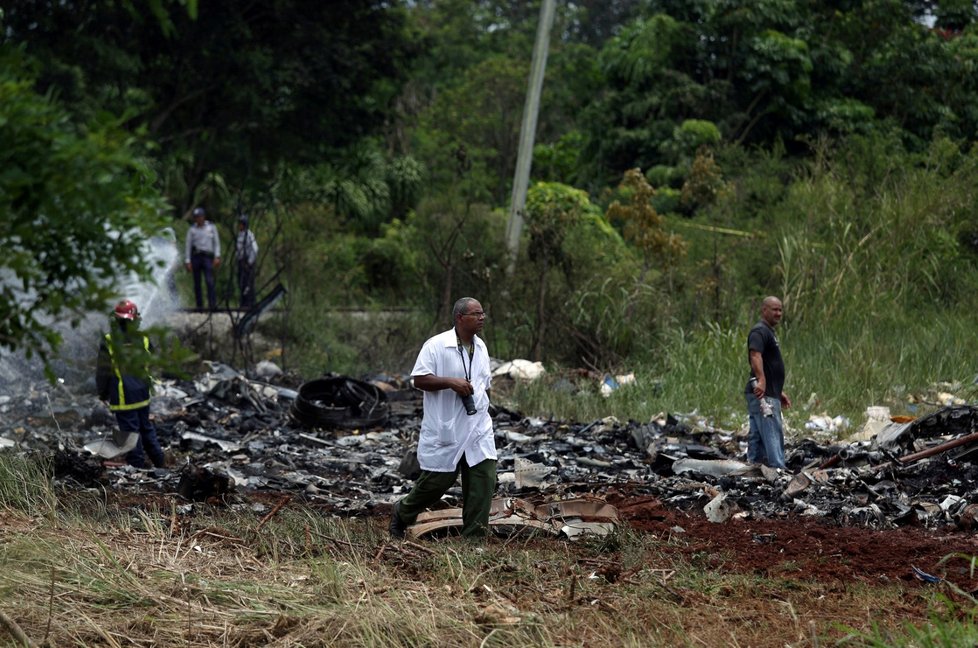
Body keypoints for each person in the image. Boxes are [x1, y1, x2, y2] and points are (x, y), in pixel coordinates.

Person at [390, 297, 496, 540]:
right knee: (439, 481)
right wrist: (450, 382)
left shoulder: (481, 347)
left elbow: (483, 383)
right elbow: (419, 379)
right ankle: (403, 512)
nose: (482, 318)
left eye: (483, 313)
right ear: (460, 318)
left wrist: (485, 408)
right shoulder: (436, 345)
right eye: (476, 314)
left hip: (478, 427)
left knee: (484, 479)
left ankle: (473, 541)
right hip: (448, 426)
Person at [95, 299, 166, 469]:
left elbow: (103, 371)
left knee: (130, 432)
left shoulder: (109, 340)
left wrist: (103, 393)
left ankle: (137, 466)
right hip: (142, 393)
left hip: (123, 396)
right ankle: (159, 461)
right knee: (146, 428)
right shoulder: (144, 339)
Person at [745, 295, 792, 469]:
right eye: (774, 309)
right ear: (764, 310)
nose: (778, 313)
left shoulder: (768, 332)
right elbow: (755, 355)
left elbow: (769, 363)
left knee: (758, 433)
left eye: (780, 309)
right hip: (762, 393)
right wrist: (762, 380)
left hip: (768, 392)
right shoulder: (759, 331)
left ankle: (755, 468)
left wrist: (778, 391)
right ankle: (777, 470)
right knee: (772, 431)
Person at [184, 206, 221, 310]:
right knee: (197, 283)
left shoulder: (211, 227)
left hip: (207, 256)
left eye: (199, 217)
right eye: (196, 217)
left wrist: (217, 256)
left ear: (203, 217)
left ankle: (212, 304)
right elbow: (188, 245)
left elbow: (216, 243)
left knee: (209, 281)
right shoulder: (192, 230)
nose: (198, 219)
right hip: (196, 256)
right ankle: (199, 305)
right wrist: (187, 261)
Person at [235, 214, 259, 309]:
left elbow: (255, 249)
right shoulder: (239, 235)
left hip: (247, 261)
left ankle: (250, 303)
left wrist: (249, 262)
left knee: (248, 283)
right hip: (241, 261)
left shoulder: (249, 235)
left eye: (240, 224)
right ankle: (243, 303)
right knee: (241, 283)